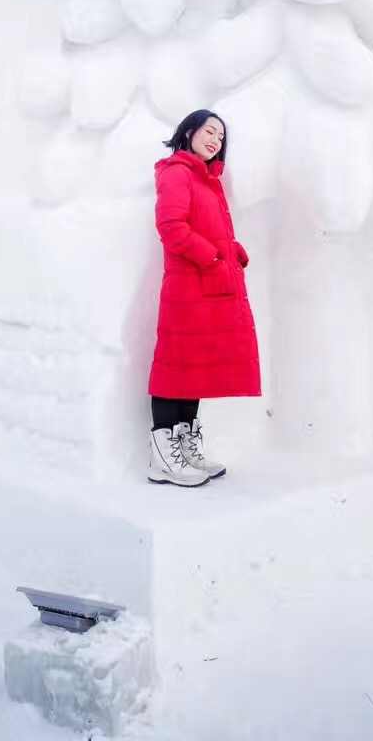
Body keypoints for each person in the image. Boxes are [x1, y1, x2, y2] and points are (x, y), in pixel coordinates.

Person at [147, 109, 261, 487]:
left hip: (204, 284)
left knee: (193, 367)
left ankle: (184, 443)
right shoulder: (177, 171)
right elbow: (171, 226)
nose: (215, 140)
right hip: (186, 286)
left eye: (221, 137)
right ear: (189, 131)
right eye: (210, 131)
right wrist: (212, 256)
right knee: (174, 364)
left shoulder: (206, 179)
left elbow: (202, 227)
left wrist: (232, 250)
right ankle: (162, 455)